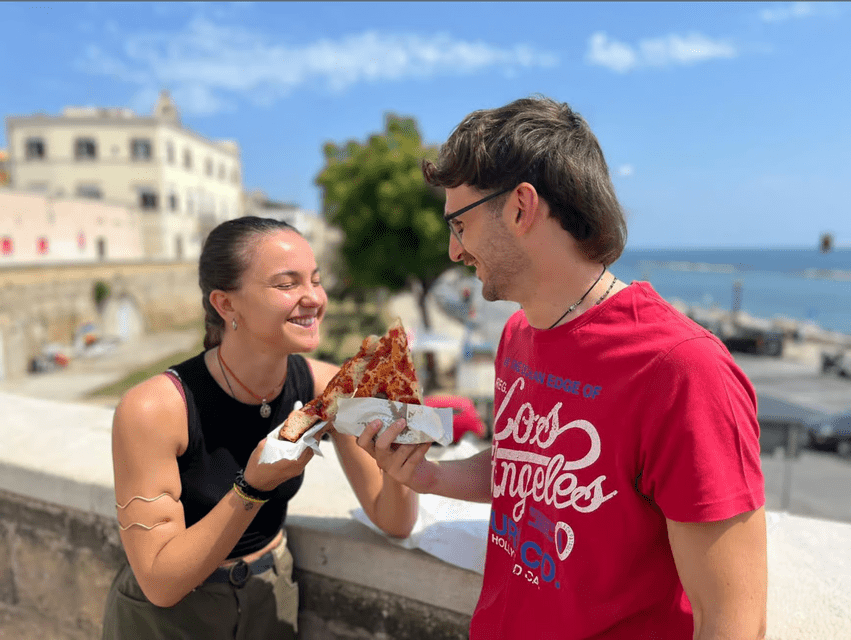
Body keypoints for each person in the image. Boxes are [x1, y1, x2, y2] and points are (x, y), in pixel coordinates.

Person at [358, 96, 767, 639]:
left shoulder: (682, 370)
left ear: (521, 208)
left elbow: (733, 619)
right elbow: (526, 464)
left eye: (459, 224)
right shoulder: (519, 334)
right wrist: (431, 476)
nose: (454, 251)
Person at [102, 216, 417, 639]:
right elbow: (160, 582)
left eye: (316, 280)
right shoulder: (154, 409)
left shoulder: (328, 387)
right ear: (226, 304)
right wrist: (252, 486)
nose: (313, 299)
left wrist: (400, 462)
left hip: (271, 600)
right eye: (287, 285)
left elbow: (394, 520)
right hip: (168, 622)